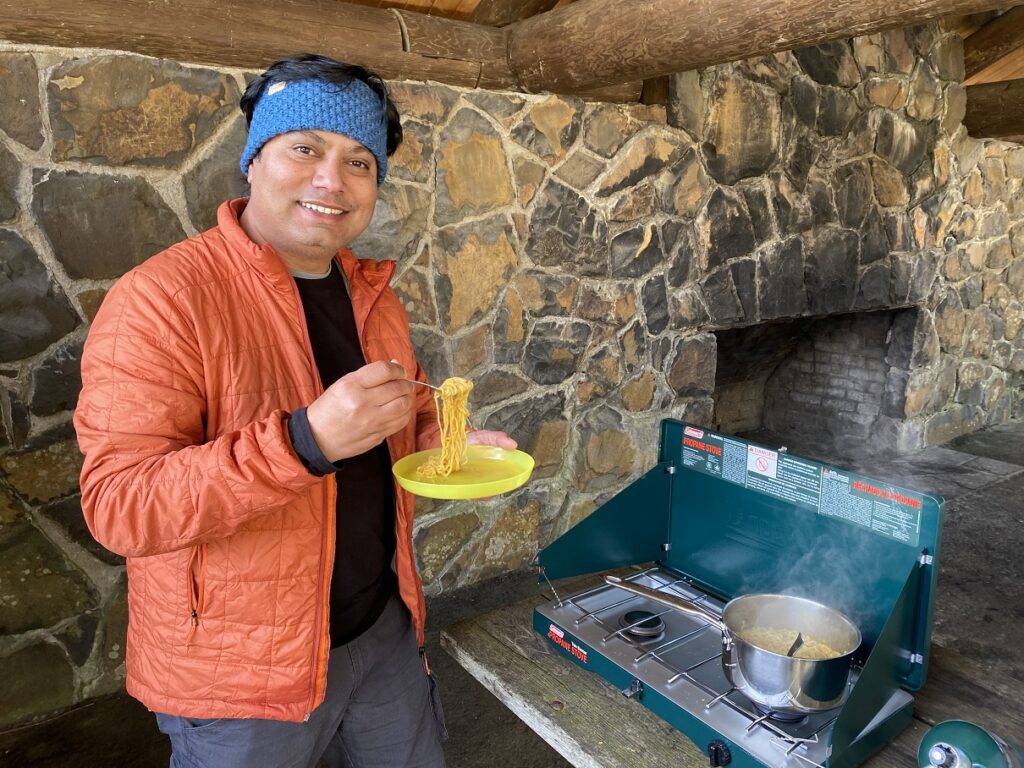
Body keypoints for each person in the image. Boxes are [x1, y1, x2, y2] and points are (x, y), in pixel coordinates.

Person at [74, 53, 516, 768]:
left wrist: (446, 439)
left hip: (380, 630)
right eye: (305, 149)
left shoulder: (373, 295)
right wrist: (304, 441)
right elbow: (120, 505)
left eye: (358, 162)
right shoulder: (161, 300)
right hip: (238, 675)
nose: (331, 181)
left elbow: (402, 414)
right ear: (254, 162)